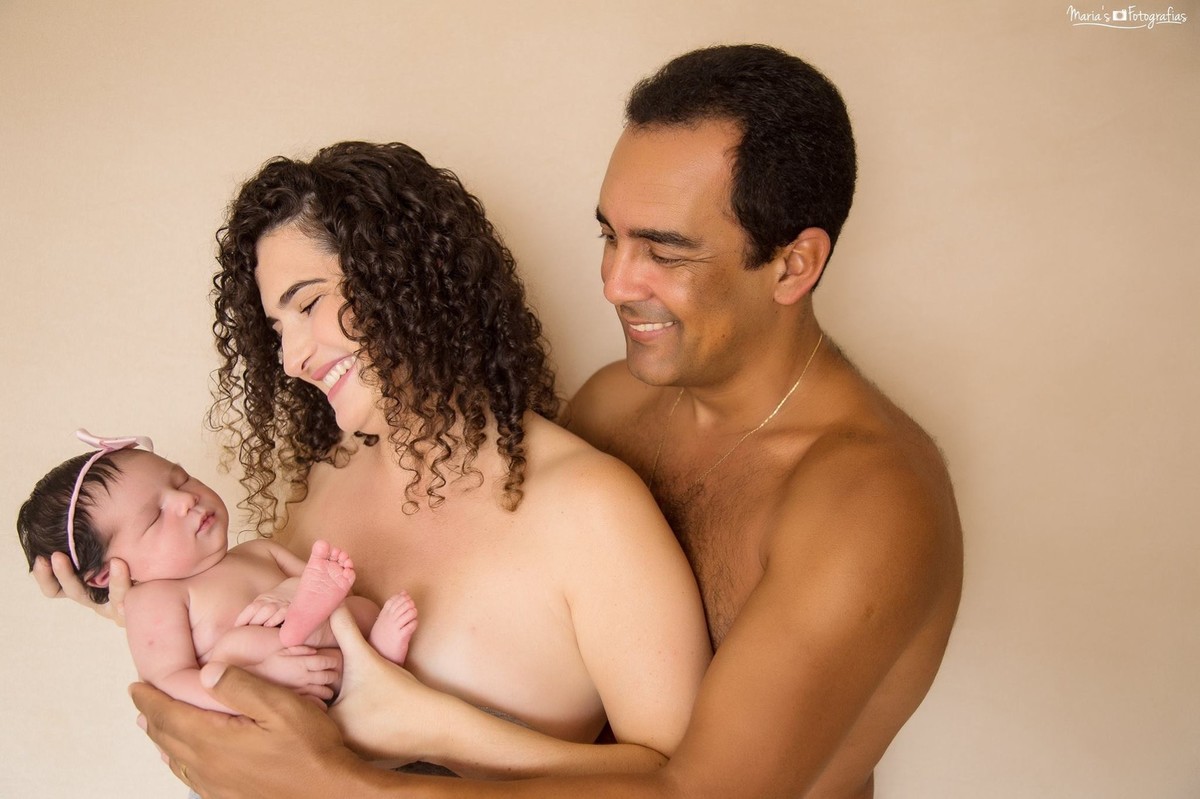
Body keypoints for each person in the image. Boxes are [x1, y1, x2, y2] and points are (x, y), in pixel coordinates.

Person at [122, 44, 964, 799]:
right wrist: (142, 589)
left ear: (793, 263)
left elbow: (696, 791)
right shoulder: (615, 405)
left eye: (664, 250)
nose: (615, 283)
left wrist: (348, 777)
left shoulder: (867, 505)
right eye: (609, 237)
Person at [36, 140, 711, 783]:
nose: (293, 359)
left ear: (404, 281)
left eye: (309, 303)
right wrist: (152, 617)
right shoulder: (324, 481)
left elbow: (691, 783)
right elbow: (263, 680)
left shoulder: (589, 509)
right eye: (277, 329)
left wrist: (434, 727)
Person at [18, 429, 418, 713]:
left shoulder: (258, 550)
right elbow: (171, 681)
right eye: (155, 516)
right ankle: (329, 647)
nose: (186, 500)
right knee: (237, 647)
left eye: (181, 480)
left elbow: (335, 586)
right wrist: (259, 680)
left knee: (358, 608)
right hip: (275, 698)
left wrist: (291, 590)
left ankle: (373, 656)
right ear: (107, 575)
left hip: (337, 667)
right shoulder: (153, 599)